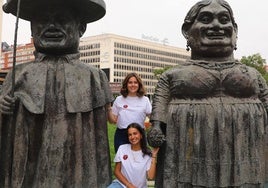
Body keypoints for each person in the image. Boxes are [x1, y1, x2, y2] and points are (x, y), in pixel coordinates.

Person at [147, 0, 268, 187]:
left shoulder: (253, 75)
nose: (216, 25)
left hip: (244, 157)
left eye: (224, 19)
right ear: (187, 31)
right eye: (205, 19)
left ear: (234, 29)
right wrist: (156, 127)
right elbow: (159, 108)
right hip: (187, 155)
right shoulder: (172, 76)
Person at [0, 0, 113, 187]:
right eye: (43, 21)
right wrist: (3, 110)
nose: (52, 26)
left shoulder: (94, 77)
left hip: (76, 174)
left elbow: (99, 144)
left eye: (62, 20)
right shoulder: (18, 75)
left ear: (81, 28)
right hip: (31, 173)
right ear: (31, 29)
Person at [108, 73, 152, 153]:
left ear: (139, 85)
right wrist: (108, 109)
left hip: (139, 135)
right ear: (126, 84)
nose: (133, 85)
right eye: (130, 82)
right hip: (122, 135)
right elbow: (112, 121)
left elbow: (152, 118)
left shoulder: (145, 100)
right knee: (122, 161)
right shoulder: (119, 99)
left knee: (139, 159)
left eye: (135, 82)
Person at [107, 123, 159, 188]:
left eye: (135, 133)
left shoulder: (147, 154)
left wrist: (154, 156)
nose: (132, 137)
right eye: (130, 135)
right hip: (121, 185)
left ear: (141, 135)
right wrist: (129, 185)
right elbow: (116, 171)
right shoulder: (122, 148)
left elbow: (150, 177)